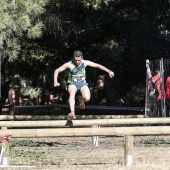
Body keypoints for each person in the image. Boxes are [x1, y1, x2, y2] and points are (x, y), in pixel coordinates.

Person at [54, 50, 114, 119]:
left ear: (82, 58)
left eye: (79, 60)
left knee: (87, 98)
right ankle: (72, 112)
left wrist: (108, 71)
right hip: (72, 83)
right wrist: (55, 81)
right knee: (72, 94)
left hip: (82, 83)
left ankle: (81, 100)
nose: (77, 62)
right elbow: (57, 70)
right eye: (75, 60)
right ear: (73, 58)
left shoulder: (85, 63)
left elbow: (97, 65)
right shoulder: (69, 64)